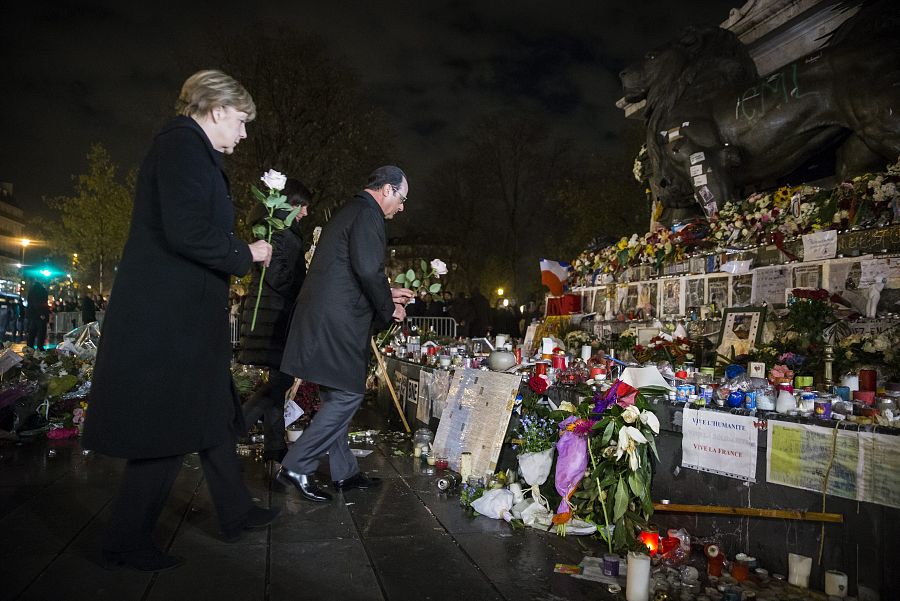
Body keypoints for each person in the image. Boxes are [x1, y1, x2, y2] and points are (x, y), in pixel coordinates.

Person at [82, 69, 277, 572]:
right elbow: (187, 230)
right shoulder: (182, 149)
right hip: (171, 320)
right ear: (216, 111)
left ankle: (234, 512)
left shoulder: (190, 151)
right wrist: (245, 252)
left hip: (186, 317)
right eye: (239, 120)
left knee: (211, 413)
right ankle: (125, 541)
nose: (243, 132)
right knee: (166, 427)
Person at [277, 165, 413, 503]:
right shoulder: (368, 215)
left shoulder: (351, 211)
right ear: (387, 191)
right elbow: (367, 269)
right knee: (350, 394)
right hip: (336, 324)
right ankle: (297, 463)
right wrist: (388, 308)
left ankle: (344, 471)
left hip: (324, 318)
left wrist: (388, 291)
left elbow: (351, 271)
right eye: (402, 198)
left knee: (335, 398)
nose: (402, 207)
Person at [238, 177, 313, 464]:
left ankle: (273, 444)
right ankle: (237, 425)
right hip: (275, 316)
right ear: (289, 204)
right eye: (302, 206)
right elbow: (278, 275)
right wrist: (304, 291)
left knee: (278, 378)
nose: (305, 213)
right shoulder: (279, 232)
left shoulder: (280, 230)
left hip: (274, 315)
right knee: (281, 380)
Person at [25, 280, 49, 350]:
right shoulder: (40, 290)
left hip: (33, 315)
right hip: (39, 315)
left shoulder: (33, 289)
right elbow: (38, 302)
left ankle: (30, 347)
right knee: (41, 331)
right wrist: (41, 313)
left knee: (32, 331)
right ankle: (39, 347)